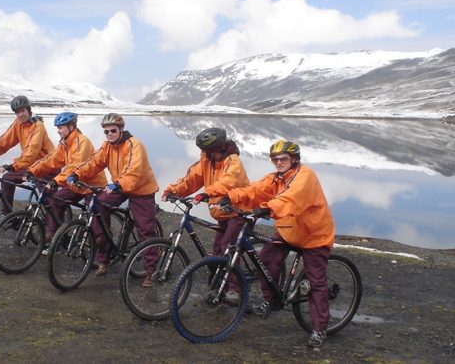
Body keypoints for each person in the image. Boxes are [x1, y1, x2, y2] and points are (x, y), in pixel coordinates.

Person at [218, 139, 334, 349]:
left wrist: (265, 208)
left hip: (313, 235)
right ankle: (270, 301)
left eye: (282, 159)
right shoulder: (277, 178)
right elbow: (255, 189)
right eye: (275, 160)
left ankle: (319, 329)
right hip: (289, 230)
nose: (278, 163)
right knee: (267, 258)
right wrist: (230, 196)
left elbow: (290, 199)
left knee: (316, 282)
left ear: (294, 159)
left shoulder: (305, 176)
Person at [67, 113, 159, 283]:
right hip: (120, 185)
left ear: (121, 129)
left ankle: (151, 270)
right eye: (106, 131)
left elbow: (135, 170)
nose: (109, 134)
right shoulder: (107, 146)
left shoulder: (134, 145)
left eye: (113, 131)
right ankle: (104, 259)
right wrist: (76, 174)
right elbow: (93, 163)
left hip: (141, 189)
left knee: (145, 229)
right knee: (98, 208)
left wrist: (118, 184)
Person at [161, 127, 249, 299]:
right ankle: (219, 280)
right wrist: (173, 190)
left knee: (227, 248)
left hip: (238, 211)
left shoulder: (233, 161)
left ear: (218, 149)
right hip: (221, 211)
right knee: (217, 249)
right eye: (203, 151)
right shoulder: (207, 160)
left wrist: (208, 193)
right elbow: (192, 179)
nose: (203, 154)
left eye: (207, 151)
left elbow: (228, 181)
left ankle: (234, 289)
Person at [28, 112, 107, 252]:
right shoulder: (65, 143)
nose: (58, 131)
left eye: (61, 128)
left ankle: (101, 248)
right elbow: (50, 160)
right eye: (57, 128)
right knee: (56, 200)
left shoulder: (82, 142)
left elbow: (74, 167)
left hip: (91, 185)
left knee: (96, 217)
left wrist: (55, 181)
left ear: (71, 126)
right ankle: (55, 237)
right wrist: (32, 170)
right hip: (75, 185)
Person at [0, 95, 55, 212]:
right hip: (31, 164)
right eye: (17, 112)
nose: (20, 115)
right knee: (7, 179)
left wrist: (13, 165)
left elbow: (31, 151)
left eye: (22, 111)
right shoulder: (18, 124)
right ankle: (8, 216)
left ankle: (55, 226)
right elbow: (4, 142)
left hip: (47, 165)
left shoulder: (38, 126)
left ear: (28, 109)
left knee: (48, 203)